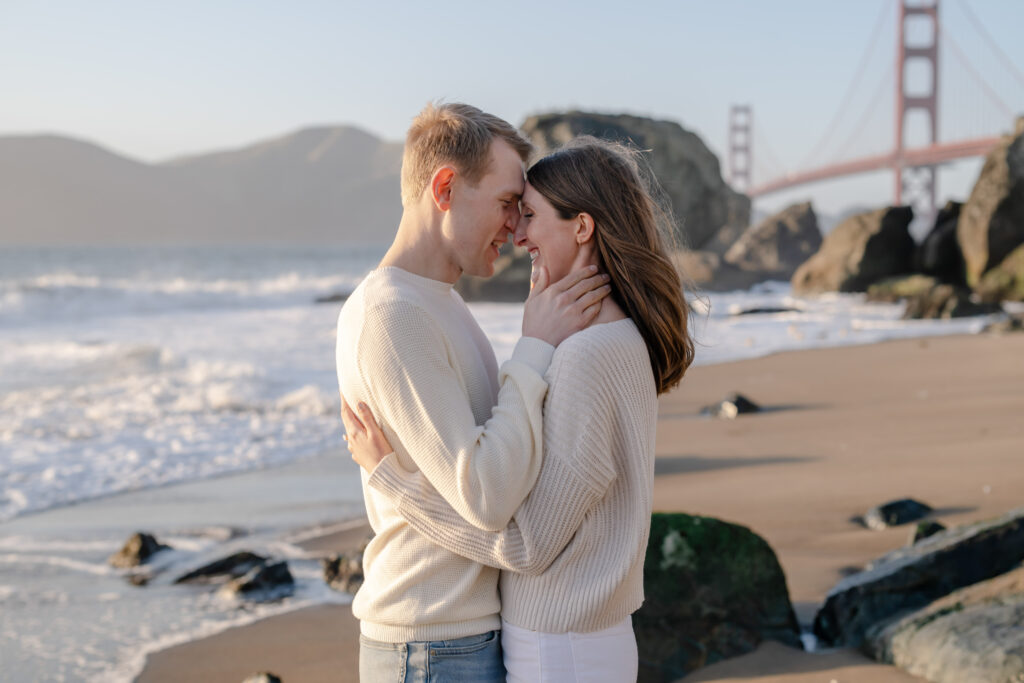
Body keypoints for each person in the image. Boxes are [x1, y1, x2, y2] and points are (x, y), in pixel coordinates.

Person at [342, 136, 695, 681]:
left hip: (561, 644)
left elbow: (528, 544)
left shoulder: (585, 354)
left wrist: (394, 482)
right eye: (512, 209)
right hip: (575, 640)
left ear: (582, 227)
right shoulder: (612, 337)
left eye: (527, 213)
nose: (518, 232)